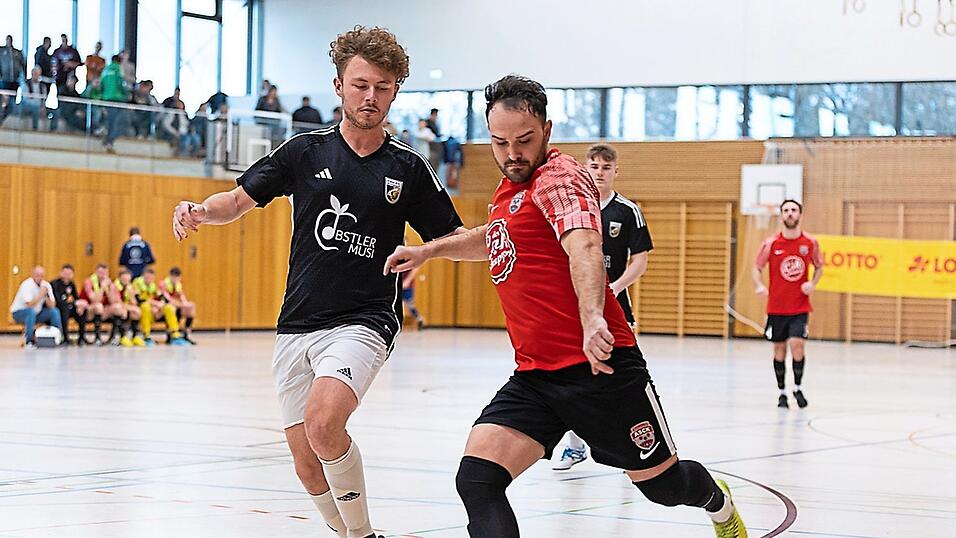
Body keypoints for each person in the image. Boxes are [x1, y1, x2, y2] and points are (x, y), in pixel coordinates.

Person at [383, 75, 747, 538]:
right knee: (477, 479)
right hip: (536, 377)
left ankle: (718, 503)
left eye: (524, 140)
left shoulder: (560, 178)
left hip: (601, 370)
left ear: (548, 131)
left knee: (663, 486)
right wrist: (430, 250)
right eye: (499, 142)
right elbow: (495, 238)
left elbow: (585, 246)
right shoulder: (510, 190)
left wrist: (593, 316)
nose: (511, 153)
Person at [172, 26, 463, 538]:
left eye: (382, 86)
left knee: (325, 425)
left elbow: (458, 238)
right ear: (338, 86)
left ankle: (363, 535)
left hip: (364, 320)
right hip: (297, 321)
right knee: (307, 463)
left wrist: (437, 248)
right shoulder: (303, 152)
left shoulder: (409, 168)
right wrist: (199, 210)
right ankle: (351, 532)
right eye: (360, 84)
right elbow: (237, 200)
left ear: (395, 91)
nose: (370, 97)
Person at [552, 142, 655, 471]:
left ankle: (633, 448)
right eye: (593, 167)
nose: (599, 173)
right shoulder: (573, 208)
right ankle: (575, 446)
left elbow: (640, 261)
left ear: (615, 171)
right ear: (586, 168)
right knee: (573, 375)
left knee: (620, 378)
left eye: (605, 168)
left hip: (615, 306)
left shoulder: (627, 211)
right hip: (575, 306)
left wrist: (614, 287)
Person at [753, 199, 824, 409]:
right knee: (779, 350)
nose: (790, 213)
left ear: (800, 214)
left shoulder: (810, 243)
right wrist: (758, 285)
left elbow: (819, 266)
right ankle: (782, 393)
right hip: (776, 307)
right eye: (786, 210)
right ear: (781, 215)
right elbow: (757, 267)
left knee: (797, 345)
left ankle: (798, 388)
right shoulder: (771, 243)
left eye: (793, 210)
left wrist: (812, 283)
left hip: (800, 306)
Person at [132, 268, 188, 346]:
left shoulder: (153, 285)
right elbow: (139, 299)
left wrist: (161, 304)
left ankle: (175, 335)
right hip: (140, 310)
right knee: (145, 306)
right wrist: (155, 303)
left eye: (151, 278)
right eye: (147, 277)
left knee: (168, 307)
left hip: (153, 310)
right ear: (143, 276)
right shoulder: (137, 283)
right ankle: (146, 336)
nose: (149, 280)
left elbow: (161, 297)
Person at [10, 266, 62, 348]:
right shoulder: (26, 285)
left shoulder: (46, 285)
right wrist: (40, 295)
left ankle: (56, 338)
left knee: (54, 312)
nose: (40, 278)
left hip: (37, 313)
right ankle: (29, 341)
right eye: (37, 275)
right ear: (33, 275)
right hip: (19, 313)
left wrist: (46, 296)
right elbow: (29, 304)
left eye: (42, 275)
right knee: (30, 312)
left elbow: (52, 305)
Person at [80, 263, 125, 345]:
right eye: (100, 273)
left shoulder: (110, 283)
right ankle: (97, 337)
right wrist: (102, 288)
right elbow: (95, 300)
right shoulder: (89, 282)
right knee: (98, 306)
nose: (103, 275)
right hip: (89, 311)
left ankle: (113, 336)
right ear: (96, 272)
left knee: (117, 308)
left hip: (104, 312)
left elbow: (113, 301)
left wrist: (109, 289)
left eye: (105, 273)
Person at [51, 264, 89, 346]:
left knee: (82, 310)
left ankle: (81, 337)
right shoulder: (54, 284)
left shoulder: (71, 284)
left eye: (69, 274)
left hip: (69, 307)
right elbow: (58, 301)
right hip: (59, 309)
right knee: (65, 309)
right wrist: (74, 303)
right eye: (65, 273)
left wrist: (80, 306)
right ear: (61, 273)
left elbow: (76, 298)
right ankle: (65, 337)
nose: (67, 276)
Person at [100, 55, 130, 152]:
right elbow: (120, 83)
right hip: (116, 99)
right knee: (115, 122)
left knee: (110, 120)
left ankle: (107, 138)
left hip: (106, 98)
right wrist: (126, 94)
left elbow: (101, 85)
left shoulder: (105, 70)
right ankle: (109, 141)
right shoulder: (118, 69)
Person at [159, 267, 196, 344]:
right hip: (162, 307)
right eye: (173, 277)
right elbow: (167, 299)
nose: (175, 279)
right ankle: (171, 334)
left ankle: (186, 334)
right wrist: (181, 305)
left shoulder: (178, 284)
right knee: (172, 308)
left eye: (177, 277)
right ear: (170, 276)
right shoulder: (163, 284)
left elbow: (182, 296)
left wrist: (186, 304)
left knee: (190, 308)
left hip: (175, 305)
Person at [114, 269, 145, 346]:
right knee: (122, 311)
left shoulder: (130, 287)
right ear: (120, 278)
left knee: (137, 311)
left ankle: (134, 336)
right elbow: (117, 301)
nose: (126, 281)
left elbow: (134, 303)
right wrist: (127, 307)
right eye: (124, 279)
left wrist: (132, 294)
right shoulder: (115, 286)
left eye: (128, 279)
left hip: (126, 306)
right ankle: (122, 336)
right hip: (115, 307)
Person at [0, 35, 26, 123]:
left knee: (12, 100)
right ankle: (3, 116)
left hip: (14, 80)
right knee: (4, 99)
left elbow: (23, 64)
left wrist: (24, 77)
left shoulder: (17, 53)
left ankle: (9, 116)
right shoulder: (2, 51)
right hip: (4, 80)